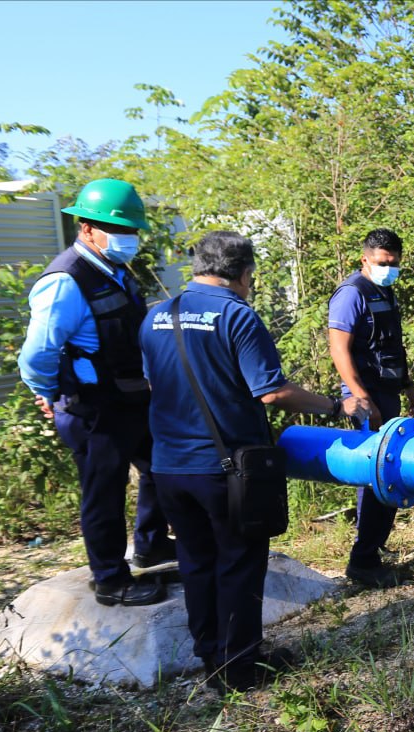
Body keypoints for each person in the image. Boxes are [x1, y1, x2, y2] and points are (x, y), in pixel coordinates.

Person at [141, 231, 371, 693]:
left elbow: (155, 382)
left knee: (196, 562)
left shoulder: (156, 316)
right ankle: (240, 668)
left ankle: (210, 653)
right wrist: (333, 406)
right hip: (223, 469)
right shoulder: (237, 317)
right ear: (245, 273)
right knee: (239, 564)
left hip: (167, 467)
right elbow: (271, 391)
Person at [17, 178, 174, 608]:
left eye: (132, 232)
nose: (130, 240)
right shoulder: (65, 281)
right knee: (103, 491)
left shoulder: (116, 271)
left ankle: (151, 545)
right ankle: (110, 579)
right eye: (120, 231)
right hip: (92, 407)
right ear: (86, 228)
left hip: (130, 399)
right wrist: (49, 393)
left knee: (162, 465)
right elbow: (36, 354)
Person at [328, 228, 414, 589]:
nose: (390, 268)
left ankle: (372, 548)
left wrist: (408, 388)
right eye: (383, 262)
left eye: (395, 262)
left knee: (387, 471)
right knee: (378, 474)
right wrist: (360, 397)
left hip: (388, 391)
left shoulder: (386, 290)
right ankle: (363, 560)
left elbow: (392, 346)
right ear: (365, 258)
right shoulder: (352, 294)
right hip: (365, 395)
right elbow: (339, 349)